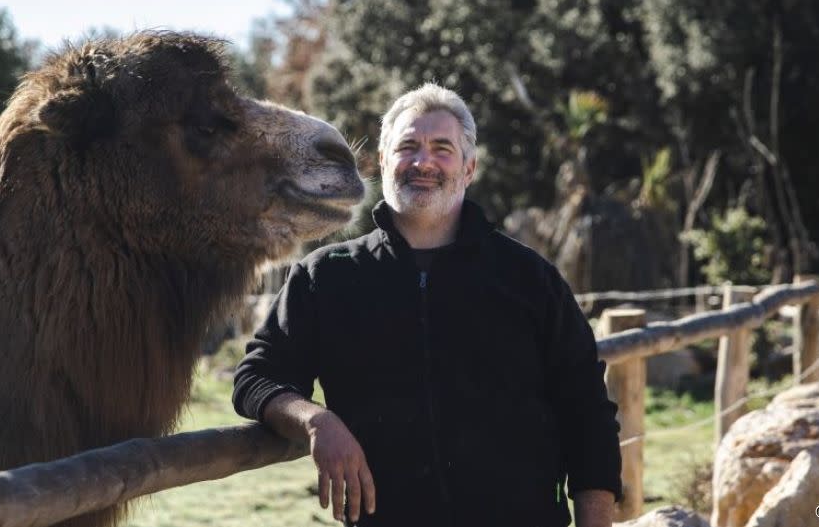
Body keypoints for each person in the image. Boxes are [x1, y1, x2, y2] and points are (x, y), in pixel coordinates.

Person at [233, 84, 622, 527]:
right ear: (382, 162)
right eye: (408, 147)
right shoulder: (326, 277)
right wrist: (316, 421)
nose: (423, 162)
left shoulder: (529, 278)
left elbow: (587, 410)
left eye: (442, 148)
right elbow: (257, 377)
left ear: (469, 167)